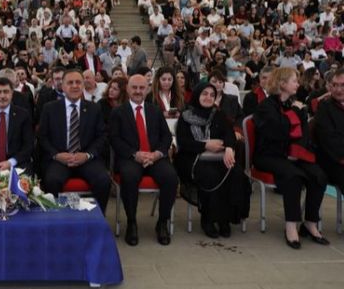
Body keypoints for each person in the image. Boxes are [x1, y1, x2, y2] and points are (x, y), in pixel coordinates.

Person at [253, 67, 329, 249]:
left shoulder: (296, 104)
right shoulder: (266, 106)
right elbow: (275, 132)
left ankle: (310, 222)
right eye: (294, 80)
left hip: (291, 154)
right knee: (293, 176)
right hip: (268, 154)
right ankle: (291, 225)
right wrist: (294, 114)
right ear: (282, 84)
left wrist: (298, 152)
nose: (298, 84)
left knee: (319, 175)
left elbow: (302, 134)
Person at [109, 74, 178, 246]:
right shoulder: (118, 112)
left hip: (155, 157)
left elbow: (166, 137)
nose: (138, 91)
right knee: (130, 177)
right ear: (128, 89)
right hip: (131, 158)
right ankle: (132, 222)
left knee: (171, 177)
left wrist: (157, 154)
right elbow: (114, 139)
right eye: (134, 87)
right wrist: (135, 154)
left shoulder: (154, 110)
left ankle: (162, 222)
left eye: (142, 88)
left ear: (147, 89)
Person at [175, 83, 250, 238]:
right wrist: (205, 145)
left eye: (212, 95)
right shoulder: (185, 116)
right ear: (197, 95)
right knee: (210, 175)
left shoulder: (218, 114)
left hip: (218, 157)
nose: (208, 97)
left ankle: (225, 219)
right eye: (204, 93)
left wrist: (229, 148)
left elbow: (229, 134)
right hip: (192, 158)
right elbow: (183, 143)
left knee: (237, 174)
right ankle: (208, 219)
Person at [38, 69, 111, 213]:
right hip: (60, 159)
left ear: (83, 85)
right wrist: (56, 155)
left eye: (78, 82)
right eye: (70, 83)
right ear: (63, 86)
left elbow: (102, 136)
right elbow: (42, 137)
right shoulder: (49, 109)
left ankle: (97, 221)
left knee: (103, 180)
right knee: (51, 181)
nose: (75, 86)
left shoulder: (94, 108)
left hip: (86, 159)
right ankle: (56, 222)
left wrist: (87, 155)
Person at [314, 68, 344, 214]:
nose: (338, 89)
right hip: (332, 160)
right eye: (335, 85)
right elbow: (329, 140)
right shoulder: (324, 107)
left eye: (343, 85)